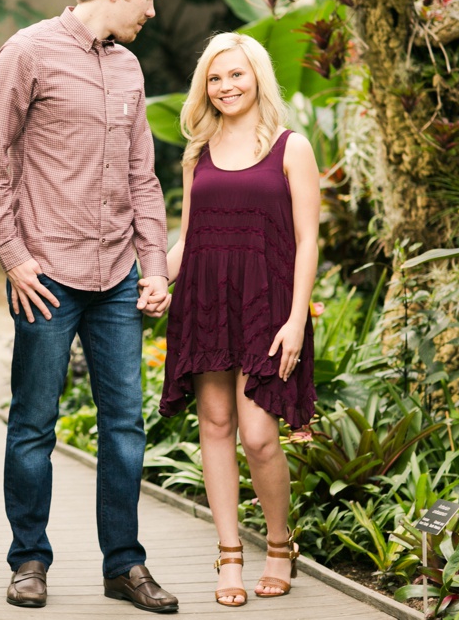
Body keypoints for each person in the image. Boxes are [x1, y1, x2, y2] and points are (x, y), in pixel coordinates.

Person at [0, 0, 177, 613]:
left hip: (117, 275)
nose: (153, 8)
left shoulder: (129, 70)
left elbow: (143, 176)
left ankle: (125, 564)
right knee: (33, 422)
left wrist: (153, 264)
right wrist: (15, 257)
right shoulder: (27, 53)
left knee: (125, 426)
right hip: (47, 275)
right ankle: (28, 559)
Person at [159, 32, 320, 607]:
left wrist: (297, 318)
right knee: (216, 423)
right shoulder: (197, 152)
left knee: (259, 436)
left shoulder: (289, 146)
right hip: (205, 301)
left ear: (257, 76)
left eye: (236, 75)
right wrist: (157, 277)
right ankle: (229, 554)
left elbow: (307, 240)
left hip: (267, 306)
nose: (226, 86)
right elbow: (189, 237)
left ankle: (280, 544)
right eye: (215, 78)